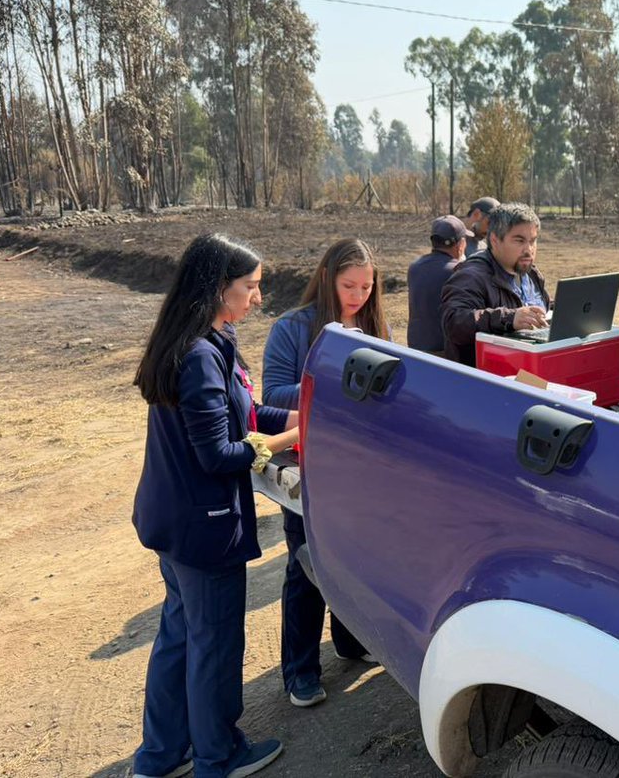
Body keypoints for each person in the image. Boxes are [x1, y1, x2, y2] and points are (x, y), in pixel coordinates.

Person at [132, 234, 298, 778]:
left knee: (181, 636)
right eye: (251, 286)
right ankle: (218, 756)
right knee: (215, 644)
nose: (258, 297)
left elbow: (242, 412)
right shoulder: (201, 356)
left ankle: (161, 755)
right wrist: (292, 438)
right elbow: (221, 454)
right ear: (218, 288)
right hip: (204, 530)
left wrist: (299, 419)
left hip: (173, 522)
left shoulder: (199, 339)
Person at [262, 238, 389, 708]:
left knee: (355, 557)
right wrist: (332, 385)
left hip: (360, 463)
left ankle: (351, 641)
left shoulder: (375, 325)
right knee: (306, 561)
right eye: (348, 286)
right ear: (326, 279)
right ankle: (300, 669)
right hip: (310, 459)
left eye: (366, 287)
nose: (357, 296)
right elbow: (273, 394)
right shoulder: (292, 327)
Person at [441, 202, 550, 366]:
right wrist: (509, 318)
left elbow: (536, 307)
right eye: (519, 241)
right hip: (486, 377)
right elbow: (454, 322)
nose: (529, 249)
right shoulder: (471, 276)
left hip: (532, 369)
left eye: (533, 241)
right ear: (495, 240)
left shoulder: (530, 273)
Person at [407, 215, 473, 353]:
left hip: (416, 348)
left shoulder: (414, 267)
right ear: (461, 244)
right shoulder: (459, 271)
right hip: (445, 352)